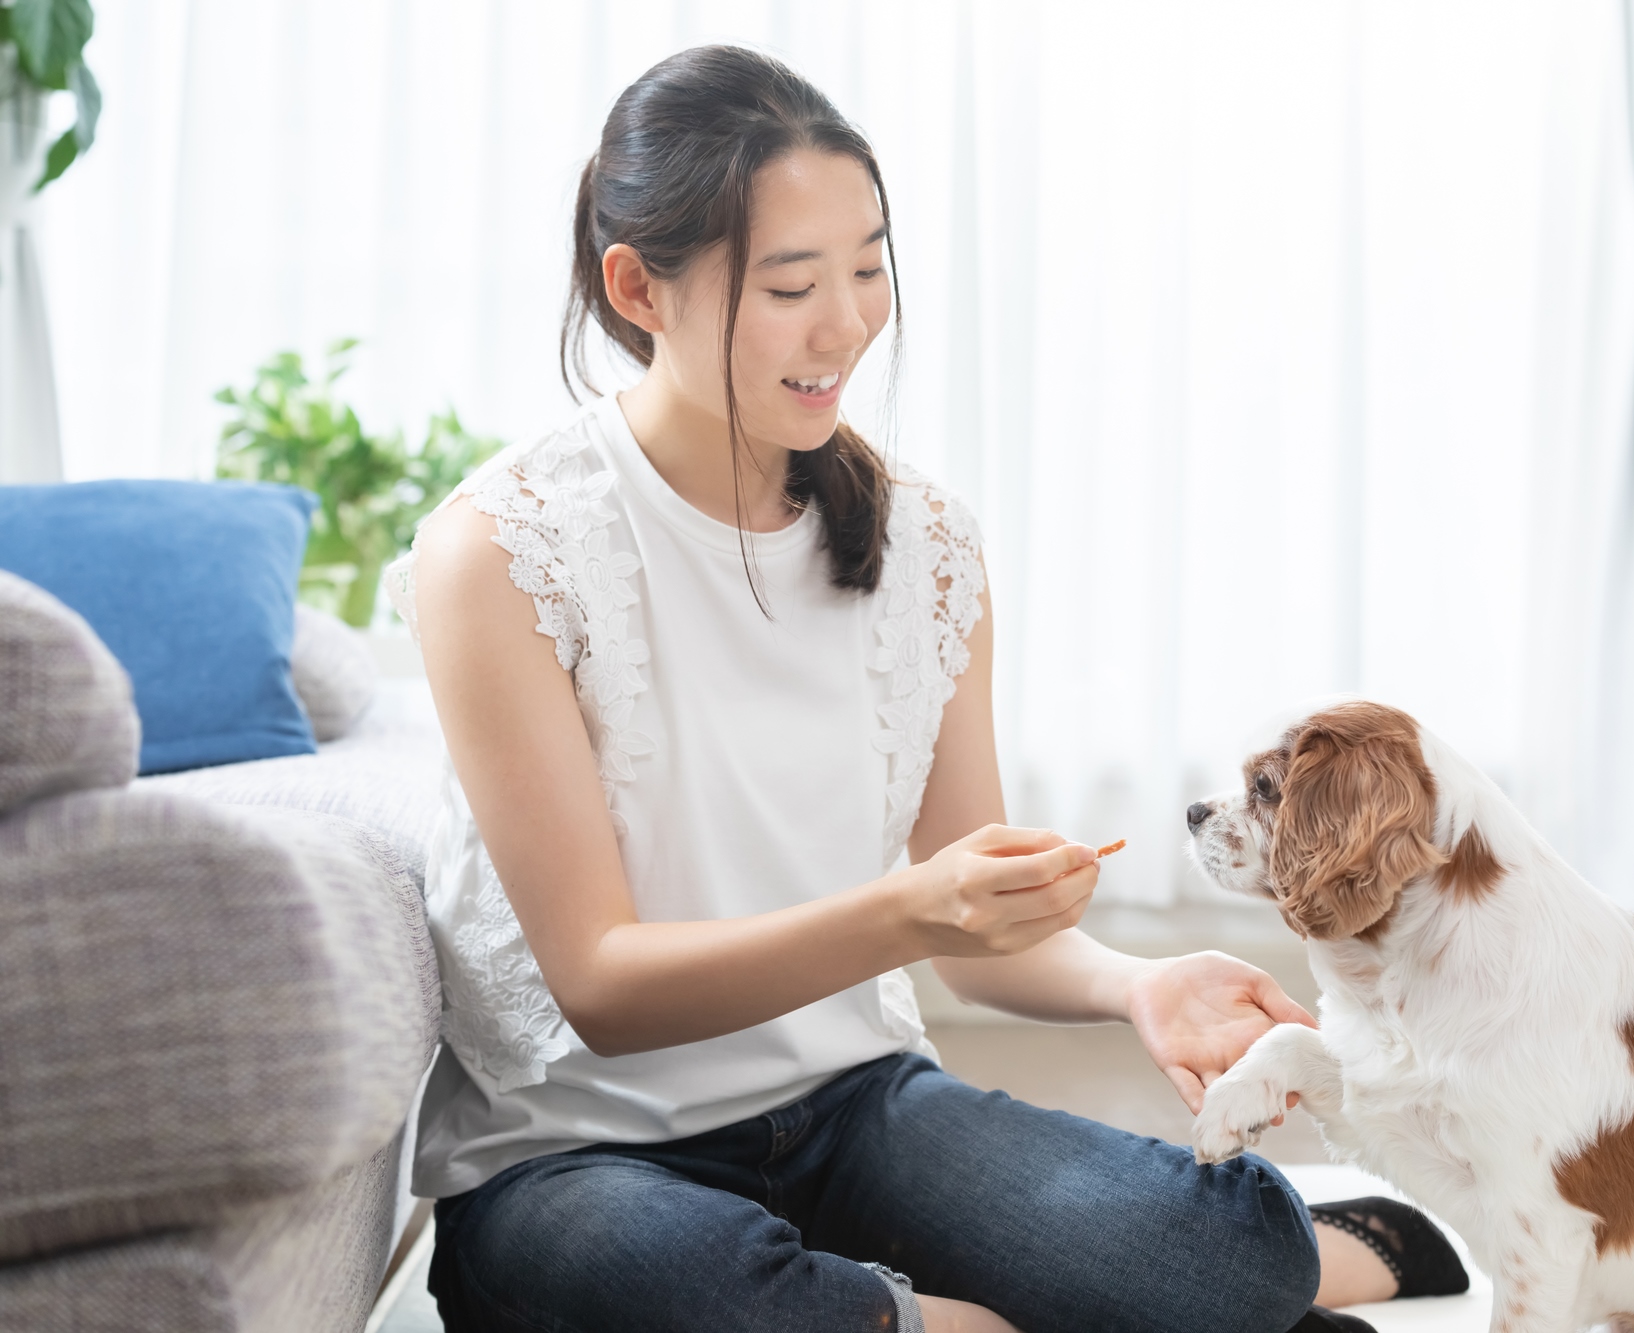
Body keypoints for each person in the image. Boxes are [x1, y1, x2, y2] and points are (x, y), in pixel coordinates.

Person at [391, 43, 1466, 1333]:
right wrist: (910, 913)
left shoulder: (925, 548)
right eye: (792, 284)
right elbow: (605, 989)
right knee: (633, 1275)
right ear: (638, 289)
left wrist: (1131, 982)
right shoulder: (500, 554)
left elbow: (980, 917)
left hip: (852, 1109)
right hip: (575, 1160)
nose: (847, 323)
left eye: (868, 266)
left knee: (1223, 1247)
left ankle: (955, 1307)